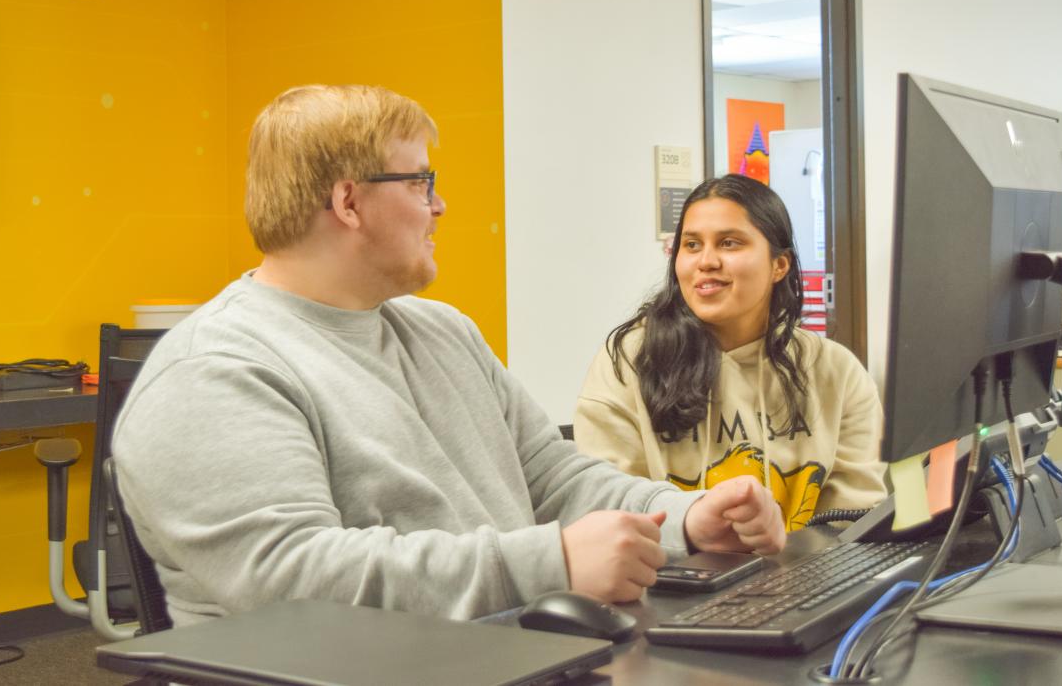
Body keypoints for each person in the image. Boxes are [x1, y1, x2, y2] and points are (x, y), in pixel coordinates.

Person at [112, 85, 786, 627]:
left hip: (502, 650)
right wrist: (546, 562)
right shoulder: (213, 371)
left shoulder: (441, 331)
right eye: (418, 182)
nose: (440, 204)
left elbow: (551, 480)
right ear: (349, 200)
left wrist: (684, 519)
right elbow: (289, 583)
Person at [574, 175, 885, 532]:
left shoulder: (834, 370)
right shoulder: (629, 362)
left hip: (805, 575)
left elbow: (853, 516)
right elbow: (609, 506)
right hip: (670, 578)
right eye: (691, 245)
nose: (706, 261)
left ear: (779, 265)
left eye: (729, 243)